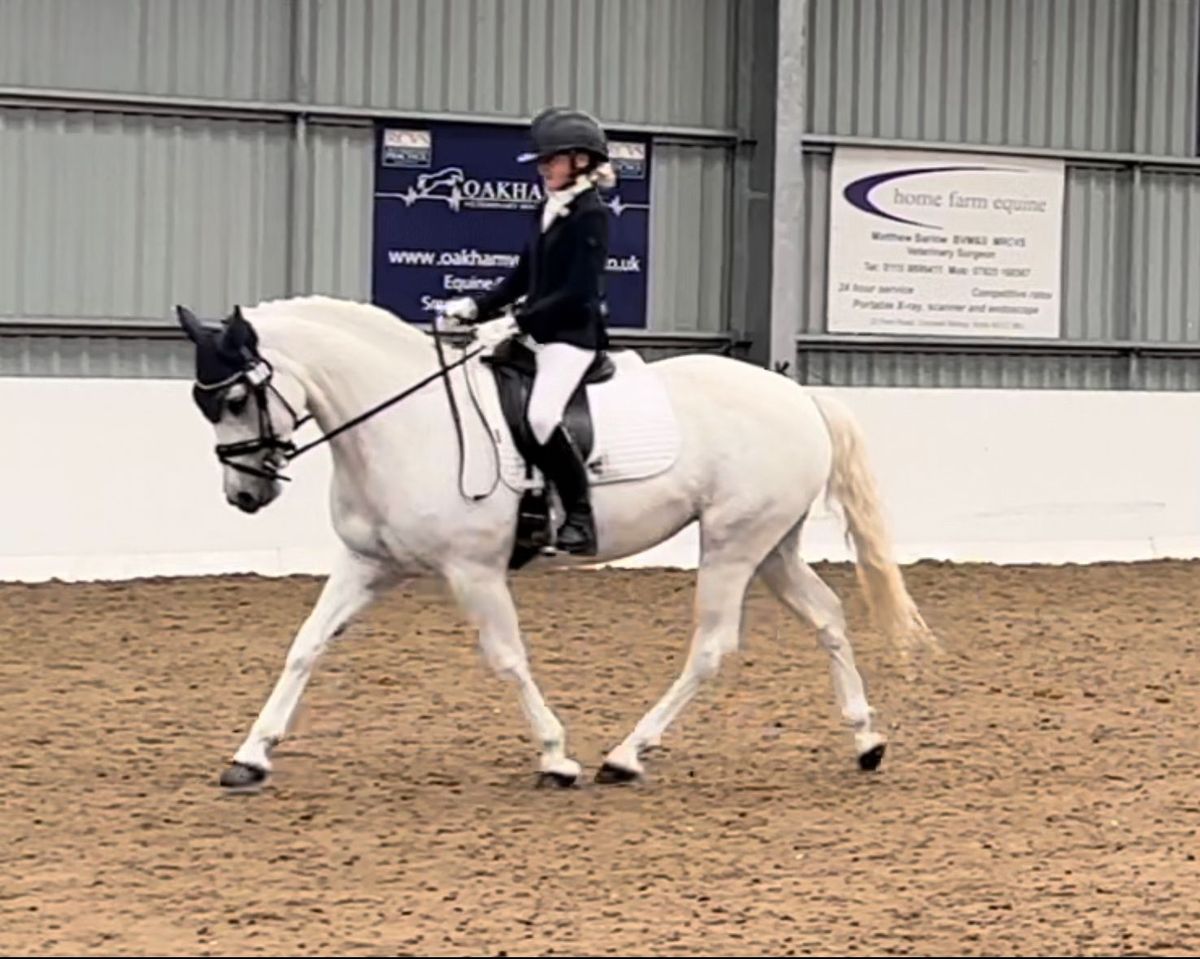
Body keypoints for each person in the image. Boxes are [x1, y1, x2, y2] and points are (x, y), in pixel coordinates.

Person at [439, 106, 616, 556]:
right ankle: (528, 507)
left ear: (580, 161)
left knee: (541, 416)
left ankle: (579, 516)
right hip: (537, 331)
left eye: (550, 160)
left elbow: (578, 291)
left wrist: (518, 321)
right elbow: (524, 276)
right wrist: (476, 307)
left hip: (572, 335)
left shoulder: (590, 213)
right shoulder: (548, 206)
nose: (542, 168)